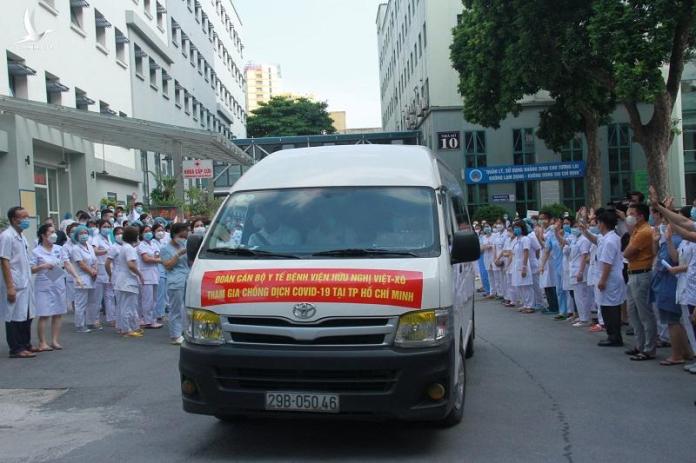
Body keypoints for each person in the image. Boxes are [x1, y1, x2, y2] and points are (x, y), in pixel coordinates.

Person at [31, 224, 82, 351]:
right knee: (44, 314)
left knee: (58, 313)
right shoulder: (36, 251)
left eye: (54, 232)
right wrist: (43, 266)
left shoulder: (59, 249)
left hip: (58, 282)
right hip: (44, 284)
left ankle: (54, 340)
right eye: (50, 232)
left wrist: (76, 276)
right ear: (43, 235)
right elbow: (31, 269)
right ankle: (42, 342)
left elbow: (67, 263)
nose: (54, 234)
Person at [623, 203, 657, 361]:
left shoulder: (644, 231)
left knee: (644, 313)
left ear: (641, 215)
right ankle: (639, 344)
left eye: (631, 213)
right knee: (633, 312)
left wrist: (629, 251)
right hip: (633, 273)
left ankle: (649, 348)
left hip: (641, 274)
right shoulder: (636, 230)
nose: (628, 216)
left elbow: (628, 252)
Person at [1, 207, 36, 358]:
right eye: (24, 217)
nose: (27, 220)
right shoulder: (7, 236)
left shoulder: (22, 236)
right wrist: (10, 287)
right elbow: (4, 261)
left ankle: (26, 343)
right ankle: (16, 348)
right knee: (14, 316)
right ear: (15, 219)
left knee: (27, 314)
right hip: (15, 282)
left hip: (26, 281)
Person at [594, 209, 627, 347]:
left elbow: (607, 263)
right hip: (611, 277)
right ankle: (613, 335)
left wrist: (602, 280)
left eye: (598, 222)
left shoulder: (609, 241)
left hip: (610, 278)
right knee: (608, 307)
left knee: (610, 308)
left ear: (603, 224)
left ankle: (614, 336)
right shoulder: (610, 237)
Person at [111, 226, 144, 338]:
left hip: (123, 280)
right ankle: (127, 329)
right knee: (128, 306)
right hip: (128, 281)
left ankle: (125, 327)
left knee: (124, 306)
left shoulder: (125, 247)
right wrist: (140, 274)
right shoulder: (129, 248)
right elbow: (131, 264)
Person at [161, 223, 190, 345]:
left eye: (185, 235)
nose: (184, 238)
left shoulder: (185, 245)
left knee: (186, 308)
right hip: (175, 281)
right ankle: (175, 335)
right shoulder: (165, 249)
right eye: (181, 235)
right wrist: (178, 254)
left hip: (186, 278)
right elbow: (167, 265)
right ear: (174, 234)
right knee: (175, 309)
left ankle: (184, 330)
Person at [69, 225, 98, 333]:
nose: (84, 235)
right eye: (81, 233)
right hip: (82, 277)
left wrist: (95, 271)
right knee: (80, 303)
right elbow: (81, 264)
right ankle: (80, 325)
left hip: (92, 277)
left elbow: (94, 260)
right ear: (77, 235)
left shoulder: (89, 246)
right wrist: (91, 272)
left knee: (92, 302)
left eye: (85, 233)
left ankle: (90, 322)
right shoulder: (75, 248)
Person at [137, 225, 163, 329]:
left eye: (149, 231)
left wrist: (155, 258)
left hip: (154, 274)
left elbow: (156, 256)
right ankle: (148, 320)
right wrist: (158, 259)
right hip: (145, 275)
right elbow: (146, 259)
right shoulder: (141, 246)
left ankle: (151, 319)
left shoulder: (154, 244)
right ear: (142, 234)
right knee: (147, 300)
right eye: (146, 231)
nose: (148, 233)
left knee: (154, 299)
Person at [91, 219, 115, 329]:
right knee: (97, 297)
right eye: (104, 226)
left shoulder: (109, 238)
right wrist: (106, 251)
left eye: (108, 227)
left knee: (109, 296)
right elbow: (94, 251)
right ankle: (95, 319)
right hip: (100, 269)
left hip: (109, 269)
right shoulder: (96, 238)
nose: (106, 229)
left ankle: (111, 318)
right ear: (100, 227)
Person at [569, 225, 593, 327]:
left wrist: (580, 272)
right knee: (578, 296)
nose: (574, 228)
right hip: (574, 269)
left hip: (580, 270)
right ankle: (582, 316)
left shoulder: (584, 240)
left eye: (577, 227)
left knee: (582, 296)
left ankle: (585, 319)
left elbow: (584, 256)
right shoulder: (576, 239)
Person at [511, 221, 535, 314]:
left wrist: (524, 266)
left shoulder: (525, 239)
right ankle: (525, 304)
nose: (516, 229)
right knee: (520, 285)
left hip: (523, 263)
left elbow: (526, 252)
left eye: (518, 227)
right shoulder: (517, 240)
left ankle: (530, 305)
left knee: (526, 285)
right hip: (517, 264)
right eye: (515, 227)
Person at [153, 222, 170, 322]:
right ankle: (159, 313)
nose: (160, 232)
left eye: (162, 230)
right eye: (158, 230)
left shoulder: (163, 242)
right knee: (159, 294)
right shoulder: (153, 243)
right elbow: (157, 256)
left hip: (165, 269)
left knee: (164, 293)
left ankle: (161, 312)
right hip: (157, 270)